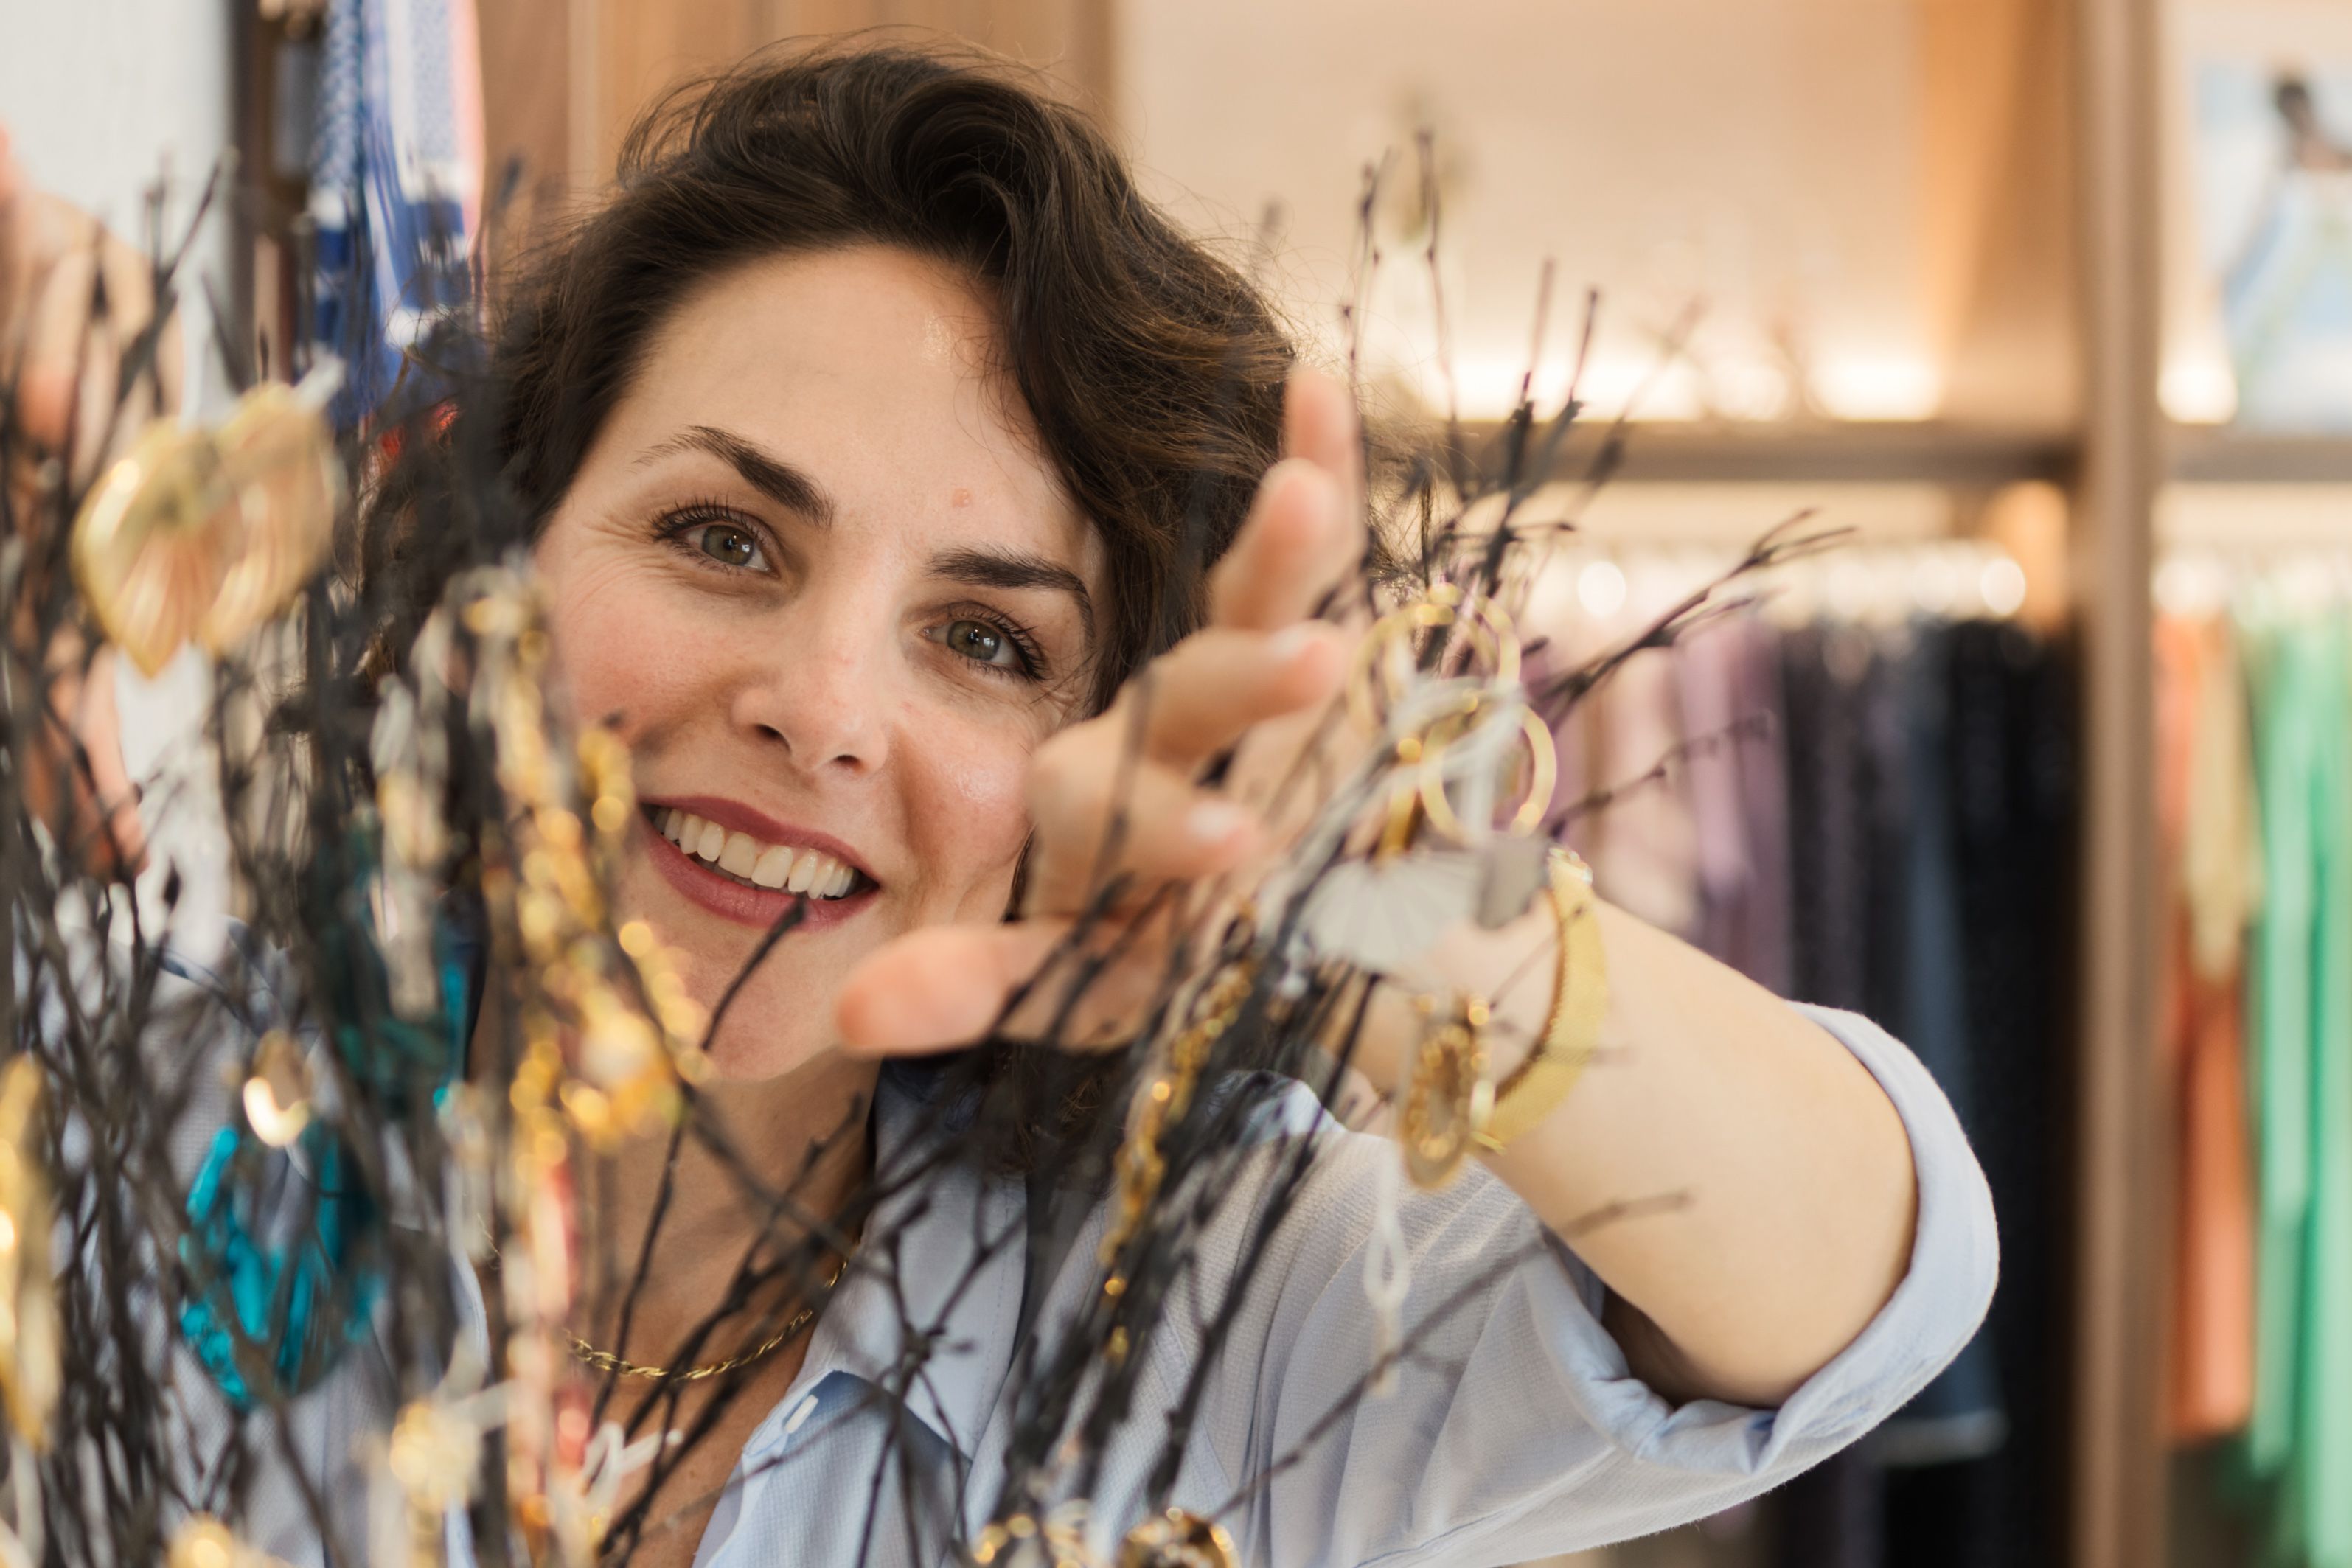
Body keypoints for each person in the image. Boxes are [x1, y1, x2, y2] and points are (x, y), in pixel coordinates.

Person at [1, 44, 1994, 1568]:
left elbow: (1866, 1292)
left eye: (990, 644)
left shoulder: (1202, 1308)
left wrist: (1413, 913)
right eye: (721, 534)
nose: (816, 709)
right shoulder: (111, 1153)